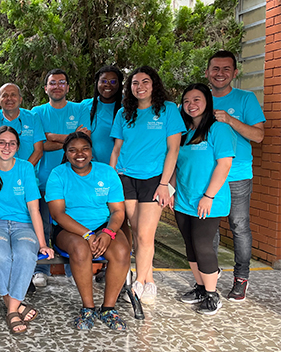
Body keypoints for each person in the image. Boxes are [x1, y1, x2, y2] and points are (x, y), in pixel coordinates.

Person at [109, 66, 185, 305]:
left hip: (154, 179)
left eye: (145, 82)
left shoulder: (168, 110)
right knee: (136, 232)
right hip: (126, 178)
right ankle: (148, 281)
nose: (139, 87)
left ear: (154, 85)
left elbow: (174, 149)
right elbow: (117, 149)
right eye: (134, 83)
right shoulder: (124, 113)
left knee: (145, 234)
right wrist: (112, 179)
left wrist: (165, 184)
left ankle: (139, 284)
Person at [0, 126, 54, 334]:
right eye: (1, 142)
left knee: (25, 254)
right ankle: (16, 306)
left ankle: (10, 308)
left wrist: (43, 243)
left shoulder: (26, 168)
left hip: (23, 225)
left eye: (11, 143)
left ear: (18, 147)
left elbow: (34, 209)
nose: (6, 147)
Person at [47, 132, 130, 330]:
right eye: (73, 150)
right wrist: (88, 234)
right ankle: (88, 308)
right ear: (66, 153)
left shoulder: (107, 173)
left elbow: (118, 211)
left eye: (84, 149)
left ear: (91, 152)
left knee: (121, 251)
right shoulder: (58, 174)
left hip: (103, 225)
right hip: (69, 228)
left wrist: (108, 233)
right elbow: (58, 214)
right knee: (80, 249)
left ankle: (109, 308)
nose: (79, 154)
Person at [205, 50, 266, 301]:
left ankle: (241, 278)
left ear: (234, 73)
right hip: (207, 175)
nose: (220, 74)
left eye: (226, 69)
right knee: (209, 228)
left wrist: (230, 120)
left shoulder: (245, 99)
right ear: (207, 72)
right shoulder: (199, 99)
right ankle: (210, 275)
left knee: (239, 226)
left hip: (237, 174)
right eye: (215, 69)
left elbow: (259, 135)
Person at [172, 83, 236, 315]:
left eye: (197, 100)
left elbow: (225, 163)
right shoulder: (184, 132)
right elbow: (177, 166)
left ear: (207, 102)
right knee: (189, 245)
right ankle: (200, 287)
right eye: (187, 101)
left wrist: (208, 196)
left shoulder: (219, 129)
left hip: (209, 199)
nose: (191, 105)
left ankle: (212, 294)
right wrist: (171, 191)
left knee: (202, 244)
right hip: (184, 199)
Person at [31, 69, 88, 288]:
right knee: (44, 225)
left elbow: (83, 140)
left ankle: (73, 267)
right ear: (46, 88)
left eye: (61, 82)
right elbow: (40, 145)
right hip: (44, 179)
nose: (57, 86)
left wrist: (53, 136)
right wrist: (71, 139)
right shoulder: (37, 112)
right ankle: (41, 268)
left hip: (76, 180)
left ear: (67, 86)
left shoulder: (79, 108)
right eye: (52, 83)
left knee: (73, 224)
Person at [0, 83, 45, 166]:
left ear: (20, 99)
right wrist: (7, 173)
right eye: (4, 95)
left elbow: (38, 151)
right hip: (0, 174)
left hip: (27, 173)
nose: (9, 98)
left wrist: (23, 171)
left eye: (13, 95)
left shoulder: (33, 118)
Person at [80, 66, 124, 164]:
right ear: (97, 83)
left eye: (113, 82)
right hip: (92, 167)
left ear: (119, 84)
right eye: (103, 81)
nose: (107, 85)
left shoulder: (127, 107)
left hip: (121, 168)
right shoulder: (85, 106)